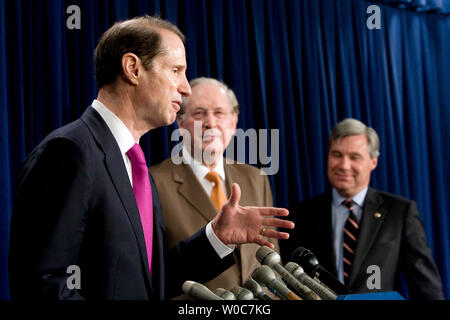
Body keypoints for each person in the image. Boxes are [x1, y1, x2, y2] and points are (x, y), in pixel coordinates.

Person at [8, 16, 294, 300]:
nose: (186, 88)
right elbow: (42, 286)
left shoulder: (134, 164)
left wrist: (216, 237)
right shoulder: (69, 152)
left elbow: (150, 282)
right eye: (175, 71)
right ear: (133, 68)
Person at [281, 118, 444, 299]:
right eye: (337, 154)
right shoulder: (302, 213)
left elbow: (426, 287)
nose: (343, 165)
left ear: (373, 162)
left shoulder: (400, 212)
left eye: (354, 157)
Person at [150, 77, 277, 298]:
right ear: (180, 123)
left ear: (234, 122)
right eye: (199, 114)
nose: (210, 123)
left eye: (219, 113)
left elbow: (273, 262)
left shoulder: (256, 178)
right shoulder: (153, 182)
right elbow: (152, 272)